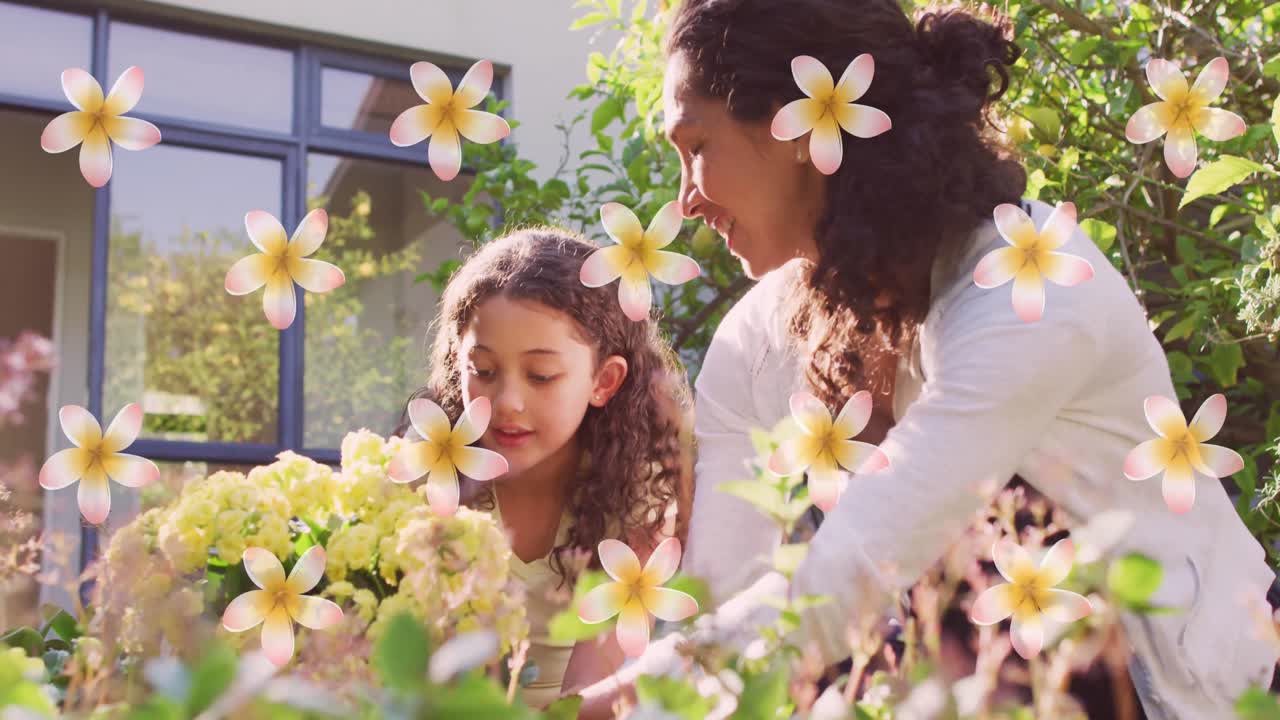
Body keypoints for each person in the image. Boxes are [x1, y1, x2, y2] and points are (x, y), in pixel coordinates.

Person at [573, 0, 1278, 717]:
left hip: (1204, 692)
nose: (684, 200)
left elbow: (858, 565)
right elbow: (723, 589)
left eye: (696, 148)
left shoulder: (1027, 287)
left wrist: (628, 696)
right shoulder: (756, 341)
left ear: (796, 123)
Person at [393, 228, 693, 708]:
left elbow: (588, 691)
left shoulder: (636, 487)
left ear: (604, 380)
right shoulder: (428, 464)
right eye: (484, 371)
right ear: (457, 363)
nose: (509, 402)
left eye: (541, 376)